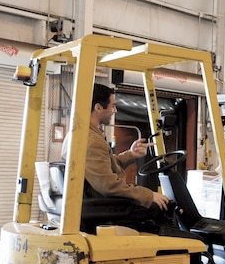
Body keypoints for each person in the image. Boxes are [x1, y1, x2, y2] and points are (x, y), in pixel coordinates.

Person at [62, 83, 170, 213]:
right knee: (161, 209)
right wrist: (148, 195)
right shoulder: (92, 141)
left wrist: (131, 154)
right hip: (102, 206)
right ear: (98, 108)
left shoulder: (80, 134)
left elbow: (103, 167)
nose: (115, 110)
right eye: (113, 106)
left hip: (97, 202)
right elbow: (108, 185)